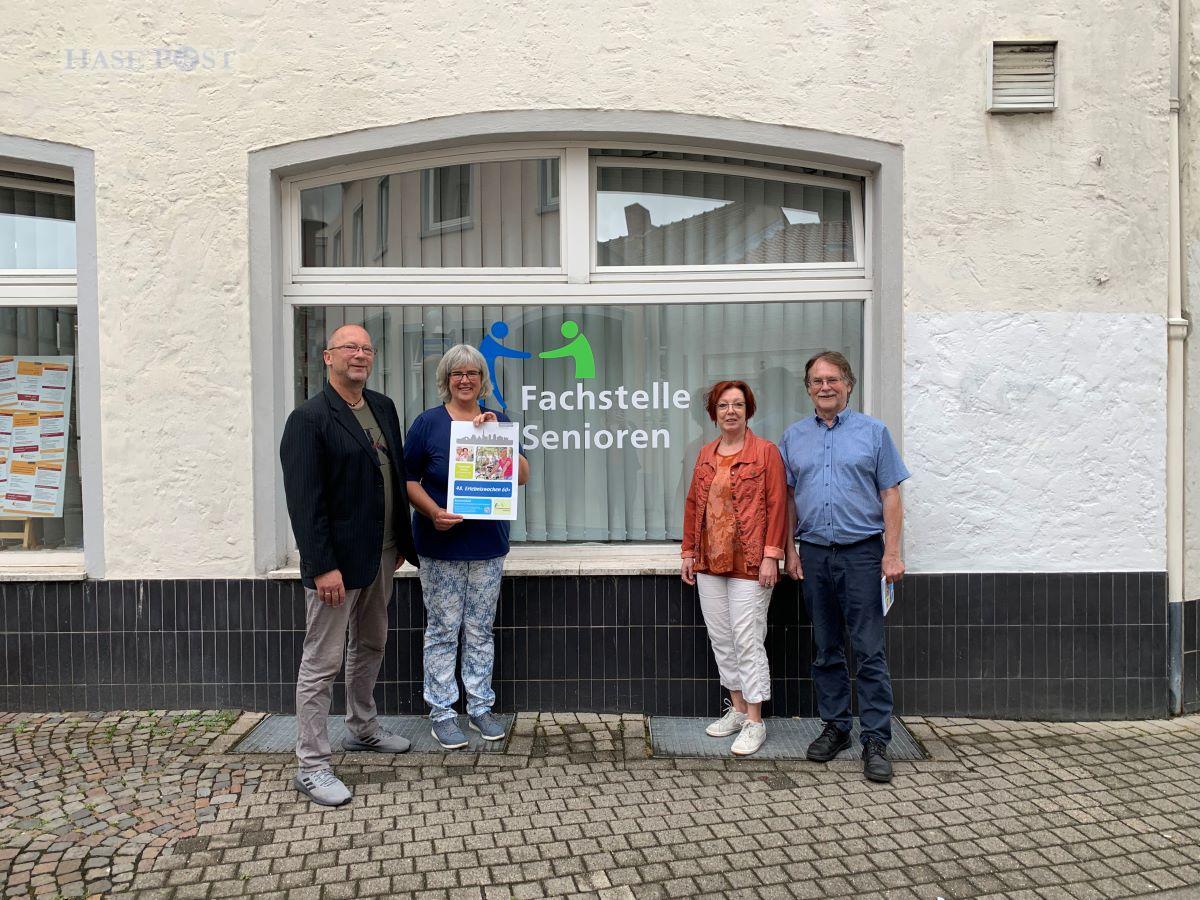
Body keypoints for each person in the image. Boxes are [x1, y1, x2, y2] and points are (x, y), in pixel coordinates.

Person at [280, 324, 420, 807]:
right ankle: (312, 765)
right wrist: (322, 566)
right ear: (328, 357)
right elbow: (305, 502)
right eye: (349, 348)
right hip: (336, 566)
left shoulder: (382, 407)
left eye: (366, 348)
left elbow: (394, 475)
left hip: (382, 554)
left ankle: (362, 728)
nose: (359, 355)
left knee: (371, 643)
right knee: (322, 663)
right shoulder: (308, 419)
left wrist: (399, 539)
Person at [779, 351, 910, 783]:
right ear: (808, 389)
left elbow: (891, 495)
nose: (825, 387)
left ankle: (876, 739)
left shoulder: (873, 433)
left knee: (869, 650)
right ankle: (836, 727)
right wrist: (790, 551)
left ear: (848, 385)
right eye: (817, 381)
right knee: (826, 648)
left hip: (862, 554)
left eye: (832, 379)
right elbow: (789, 499)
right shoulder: (794, 437)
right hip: (815, 554)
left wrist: (892, 553)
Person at [404, 344, 530, 749]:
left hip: (487, 546)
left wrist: (497, 439)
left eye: (472, 373)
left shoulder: (497, 421)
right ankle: (442, 712)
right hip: (440, 546)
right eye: (456, 373)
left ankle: (479, 707)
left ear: (482, 380)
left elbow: (522, 475)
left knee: (479, 630)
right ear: (446, 379)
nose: (464, 380)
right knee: (443, 630)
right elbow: (407, 480)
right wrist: (432, 511)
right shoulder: (427, 424)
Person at [681, 380, 788, 756]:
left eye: (738, 405)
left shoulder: (765, 453)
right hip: (710, 561)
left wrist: (772, 555)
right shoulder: (705, 454)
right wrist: (688, 552)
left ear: (748, 411)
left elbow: (778, 504)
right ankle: (738, 710)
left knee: (747, 639)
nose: (731, 411)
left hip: (751, 563)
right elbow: (693, 504)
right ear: (714, 413)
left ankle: (756, 721)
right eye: (724, 405)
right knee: (722, 639)